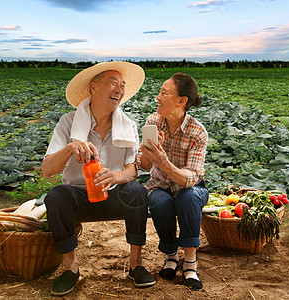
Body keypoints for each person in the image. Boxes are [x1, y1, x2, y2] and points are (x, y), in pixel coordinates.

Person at [42, 61, 155, 296]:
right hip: (78, 197)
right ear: (94, 87)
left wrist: (115, 176)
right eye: (113, 83)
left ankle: (136, 264)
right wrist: (70, 148)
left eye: (122, 85)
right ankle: (71, 268)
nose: (119, 90)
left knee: (135, 190)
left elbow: (132, 170)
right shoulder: (68, 122)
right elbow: (47, 170)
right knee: (56, 196)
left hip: (113, 193)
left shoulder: (128, 126)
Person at [136, 73, 209, 291]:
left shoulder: (198, 132)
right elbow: (146, 166)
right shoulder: (153, 122)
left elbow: (191, 177)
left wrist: (165, 163)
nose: (158, 97)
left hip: (193, 188)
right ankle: (170, 255)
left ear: (181, 101)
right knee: (160, 202)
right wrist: (149, 153)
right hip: (160, 185)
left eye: (164, 93)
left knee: (187, 197)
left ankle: (190, 263)